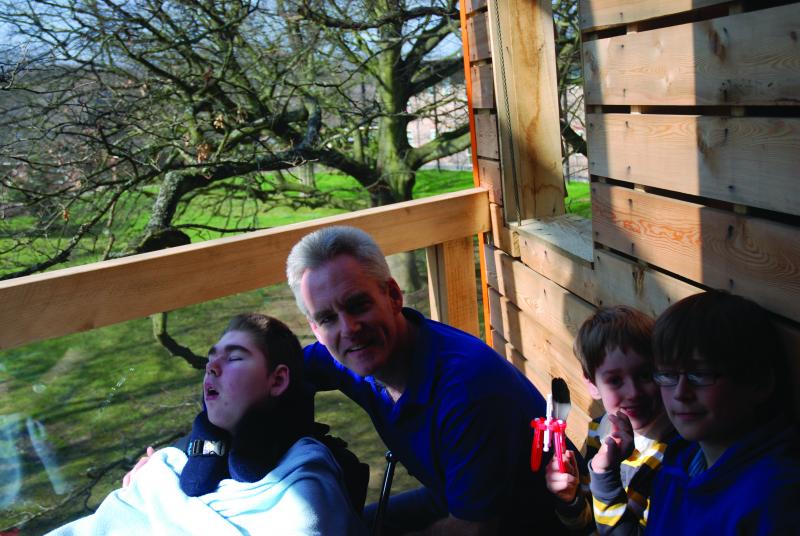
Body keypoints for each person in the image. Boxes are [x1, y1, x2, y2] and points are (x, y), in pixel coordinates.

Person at [286, 225, 581, 535]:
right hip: (456, 496)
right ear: (316, 329)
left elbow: (473, 529)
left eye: (359, 305)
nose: (348, 329)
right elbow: (277, 372)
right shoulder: (350, 354)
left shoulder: (468, 391)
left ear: (394, 296)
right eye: (327, 318)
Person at [49, 313, 366, 536]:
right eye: (212, 357)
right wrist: (157, 466)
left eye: (234, 358)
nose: (211, 366)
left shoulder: (306, 483)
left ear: (278, 379)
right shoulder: (171, 463)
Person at [647, 290, 800, 535]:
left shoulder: (773, 498)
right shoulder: (675, 468)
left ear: (759, 384)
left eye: (700, 373)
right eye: (668, 374)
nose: (680, 393)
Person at [545, 305, 675, 533]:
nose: (633, 392)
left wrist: (605, 478)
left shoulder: (673, 456)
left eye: (644, 374)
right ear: (592, 385)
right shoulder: (600, 430)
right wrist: (570, 499)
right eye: (615, 380)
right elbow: (589, 523)